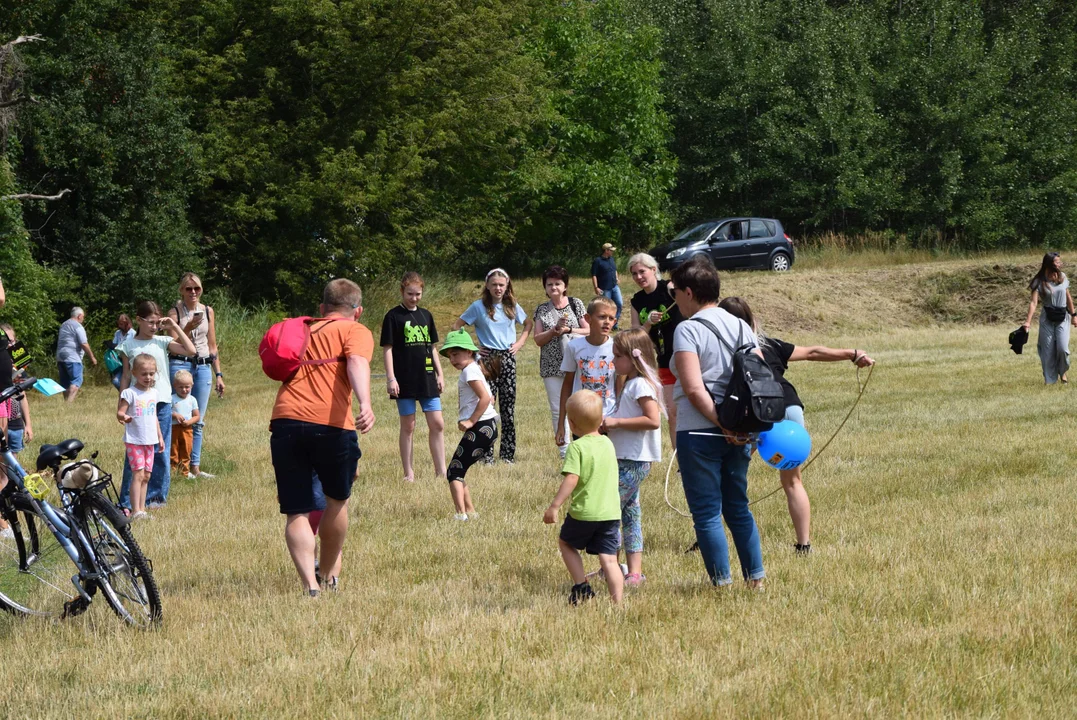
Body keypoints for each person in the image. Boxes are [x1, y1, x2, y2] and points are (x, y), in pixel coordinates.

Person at [719, 297, 875, 554]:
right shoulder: (769, 345)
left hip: (754, 410)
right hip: (789, 406)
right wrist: (852, 353)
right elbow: (812, 352)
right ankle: (804, 545)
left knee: (728, 475)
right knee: (792, 482)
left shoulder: (725, 348)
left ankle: (708, 535)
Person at [270, 278, 375, 597]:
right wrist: (366, 403)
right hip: (331, 425)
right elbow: (356, 362)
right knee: (336, 501)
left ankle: (310, 586)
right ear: (357, 311)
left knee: (296, 510)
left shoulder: (302, 329)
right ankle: (328, 575)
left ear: (321, 308)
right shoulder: (355, 330)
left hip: (285, 421)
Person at [670, 255, 765, 589]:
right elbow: (758, 376)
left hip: (699, 431)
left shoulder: (688, 329)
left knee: (708, 512)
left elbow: (694, 389)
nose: (675, 299)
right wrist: (736, 425)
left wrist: (719, 422)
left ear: (690, 292)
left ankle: (722, 584)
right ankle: (756, 579)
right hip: (742, 429)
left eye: (676, 292)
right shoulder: (740, 324)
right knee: (738, 507)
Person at [543, 390, 624, 605]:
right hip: (610, 513)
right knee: (609, 559)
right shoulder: (608, 444)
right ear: (601, 420)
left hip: (585, 512)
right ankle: (618, 604)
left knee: (566, 543)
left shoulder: (577, 447)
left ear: (571, 423)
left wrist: (555, 506)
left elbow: (572, 478)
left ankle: (581, 586)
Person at [117, 301, 197, 511]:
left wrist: (173, 326)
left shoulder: (162, 340)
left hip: (160, 403)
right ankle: (127, 502)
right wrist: (121, 405)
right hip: (137, 405)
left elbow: (191, 350)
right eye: (150, 322)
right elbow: (125, 375)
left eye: (157, 323)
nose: (153, 327)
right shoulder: (128, 345)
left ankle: (155, 498)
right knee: (134, 453)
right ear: (139, 320)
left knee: (160, 451)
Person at [602, 329, 664, 588]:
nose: (613, 361)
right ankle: (633, 573)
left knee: (609, 513)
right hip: (626, 458)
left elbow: (652, 420)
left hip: (632, 460)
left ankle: (612, 568)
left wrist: (615, 422)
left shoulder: (639, 384)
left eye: (617, 356)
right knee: (630, 515)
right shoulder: (630, 383)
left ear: (634, 357)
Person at [452, 269, 533, 464]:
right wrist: (473, 347)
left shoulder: (511, 306)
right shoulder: (478, 307)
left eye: (501, 285)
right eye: (494, 284)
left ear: (507, 287)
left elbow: (528, 323)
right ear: (487, 286)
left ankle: (507, 455)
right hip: (487, 360)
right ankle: (485, 454)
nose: (498, 288)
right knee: (487, 407)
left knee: (508, 408)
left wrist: (520, 343)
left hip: (507, 358)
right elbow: (457, 326)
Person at [381, 271, 446, 482]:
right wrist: (391, 378)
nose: (414, 298)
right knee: (408, 425)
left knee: (437, 423)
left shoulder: (426, 315)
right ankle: (408, 473)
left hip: (427, 378)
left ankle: (441, 471)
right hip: (404, 380)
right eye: (410, 294)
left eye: (418, 294)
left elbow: (432, 347)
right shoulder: (393, 316)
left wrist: (440, 374)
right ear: (402, 291)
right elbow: (388, 349)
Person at [167, 272, 226, 479]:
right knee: (176, 417)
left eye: (197, 288)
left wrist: (218, 373)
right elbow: (172, 342)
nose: (193, 292)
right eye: (188, 288)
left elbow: (212, 344)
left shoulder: (208, 311)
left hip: (202, 365)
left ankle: (195, 467)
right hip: (180, 364)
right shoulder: (174, 312)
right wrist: (187, 327)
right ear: (181, 291)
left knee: (197, 418)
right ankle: (175, 466)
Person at [440, 330, 499, 521]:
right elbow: (490, 398)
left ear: (468, 351)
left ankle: (461, 514)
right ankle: (471, 512)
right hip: (487, 427)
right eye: (450, 356)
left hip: (480, 427)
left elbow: (484, 399)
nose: (452, 359)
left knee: (454, 471)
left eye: (456, 354)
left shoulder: (470, 371)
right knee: (459, 470)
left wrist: (471, 420)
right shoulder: (473, 369)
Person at [532, 265, 590, 458]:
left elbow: (589, 330)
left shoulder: (575, 304)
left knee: (580, 404)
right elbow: (538, 339)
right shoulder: (541, 309)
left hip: (576, 364)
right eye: (549, 284)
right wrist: (553, 331)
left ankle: (583, 445)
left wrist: (568, 331)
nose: (553, 287)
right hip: (551, 365)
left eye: (557, 283)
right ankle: (565, 452)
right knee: (558, 408)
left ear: (565, 286)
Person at [628, 252, 683, 449]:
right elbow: (636, 335)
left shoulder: (669, 289)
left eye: (642, 271)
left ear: (653, 270)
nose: (639, 277)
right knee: (672, 412)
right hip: (662, 360)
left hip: (684, 356)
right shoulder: (637, 301)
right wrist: (648, 324)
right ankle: (679, 461)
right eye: (634, 274)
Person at [555, 297, 617, 448]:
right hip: (582, 415)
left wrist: (619, 416)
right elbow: (567, 384)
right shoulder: (574, 346)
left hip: (608, 416)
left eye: (611, 318)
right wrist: (561, 424)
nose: (607, 322)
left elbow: (621, 385)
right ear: (588, 318)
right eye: (602, 317)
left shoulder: (617, 347)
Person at [117, 354, 165, 521]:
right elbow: (120, 412)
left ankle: (142, 509)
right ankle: (135, 510)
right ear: (134, 372)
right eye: (144, 374)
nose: (148, 377)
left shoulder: (154, 394)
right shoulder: (130, 393)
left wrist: (160, 437)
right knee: (137, 474)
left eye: (151, 373)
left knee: (147, 475)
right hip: (135, 439)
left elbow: (154, 417)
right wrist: (124, 417)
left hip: (150, 440)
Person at [1022, 252, 1077, 384]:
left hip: (1062, 317)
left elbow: (1068, 297)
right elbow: (1033, 303)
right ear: (1050, 263)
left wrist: (1074, 315)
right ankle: (1050, 380)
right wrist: (1028, 321)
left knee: (1062, 348)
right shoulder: (1039, 281)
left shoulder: (1062, 277)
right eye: (1058, 262)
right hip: (1047, 319)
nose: (1060, 264)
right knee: (1047, 351)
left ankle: (1063, 372)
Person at [1, 325, 31, 457]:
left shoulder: (18, 360)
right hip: (2, 419)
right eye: (5, 341)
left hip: (16, 421)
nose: (9, 344)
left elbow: (22, 395)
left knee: (13, 462)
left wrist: (28, 424)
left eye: (11, 341)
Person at [56, 307, 97, 402]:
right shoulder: (78, 326)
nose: (83, 319)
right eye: (83, 317)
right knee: (76, 380)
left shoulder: (64, 324)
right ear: (79, 316)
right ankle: (68, 404)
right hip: (72, 357)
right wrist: (92, 357)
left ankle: (66, 403)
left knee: (65, 383)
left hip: (60, 357)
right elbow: (83, 343)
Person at [170, 369, 201, 479]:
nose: (184, 390)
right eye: (181, 387)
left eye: (187, 387)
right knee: (173, 450)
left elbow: (197, 416)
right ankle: (172, 471)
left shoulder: (192, 400)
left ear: (192, 385)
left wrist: (189, 422)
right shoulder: (172, 398)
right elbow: (166, 413)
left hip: (187, 429)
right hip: (174, 429)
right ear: (175, 386)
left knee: (186, 450)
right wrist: (175, 415)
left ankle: (185, 472)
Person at [591, 243, 622, 328]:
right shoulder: (598, 261)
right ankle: (607, 324)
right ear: (606, 251)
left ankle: (614, 324)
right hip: (605, 288)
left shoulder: (611, 259)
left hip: (614, 286)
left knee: (619, 304)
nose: (612, 252)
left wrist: (617, 278)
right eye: (611, 250)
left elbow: (614, 269)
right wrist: (596, 287)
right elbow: (594, 275)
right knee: (606, 307)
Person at [109, 314, 136, 390]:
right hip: (119, 361)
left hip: (129, 362)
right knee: (116, 381)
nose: (120, 326)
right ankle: (125, 393)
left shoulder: (133, 334)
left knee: (118, 381)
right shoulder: (117, 333)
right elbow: (115, 345)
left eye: (122, 324)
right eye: (119, 324)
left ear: (127, 323)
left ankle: (127, 394)